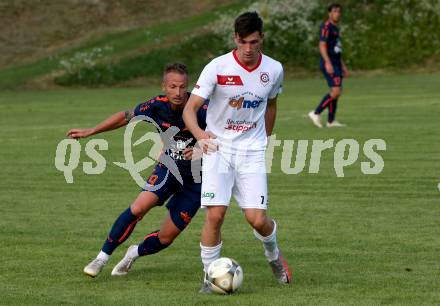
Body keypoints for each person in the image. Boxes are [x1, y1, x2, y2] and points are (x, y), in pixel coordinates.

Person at [183, 12, 292, 293]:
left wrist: (266, 138)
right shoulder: (216, 67)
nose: (247, 49)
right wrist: (200, 136)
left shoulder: (274, 69)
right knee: (215, 215)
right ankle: (210, 276)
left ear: (262, 39)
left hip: (252, 151)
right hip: (218, 149)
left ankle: (274, 256)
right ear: (235, 38)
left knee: (257, 219)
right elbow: (190, 109)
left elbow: (271, 104)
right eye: (242, 42)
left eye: (253, 42)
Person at [67, 63, 208, 277]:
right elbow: (125, 116)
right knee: (139, 207)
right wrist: (91, 131)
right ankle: (101, 258)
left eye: (182, 87)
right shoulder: (155, 105)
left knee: (166, 238)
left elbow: (224, 137)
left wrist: (202, 149)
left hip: (198, 179)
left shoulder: (202, 109)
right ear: (164, 87)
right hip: (169, 167)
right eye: (172, 86)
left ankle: (134, 253)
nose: (178, 92)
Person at [308, 3, 348, 128]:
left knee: (335, 91)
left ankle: (331, 121)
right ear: (329, 13)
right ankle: (316, 112)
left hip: (336, 63)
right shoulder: (326, 26)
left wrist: (343, 65)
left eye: (339, 11)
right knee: (336, 91)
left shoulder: (336, 28)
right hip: (329, 63)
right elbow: (322, 45)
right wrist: (328, 62)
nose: (337, 14)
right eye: (335, 11)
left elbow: (337, 49)